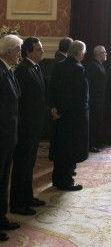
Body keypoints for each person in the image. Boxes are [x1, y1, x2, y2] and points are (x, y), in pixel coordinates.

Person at [10, 38, 46, 215]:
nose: (42, 52)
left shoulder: (36, 67)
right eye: (39, 49)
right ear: (29, 51)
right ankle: (17, 204)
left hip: (34, 125)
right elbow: (19, 101)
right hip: (25, 127)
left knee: (30, 164)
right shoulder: (22, 70)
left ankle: (27, 197)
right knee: (21, 165)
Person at [49, 40, 89, 191]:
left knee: (60, 149)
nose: (84, 54)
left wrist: (54, 109)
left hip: (59, 115)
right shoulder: (78, 69)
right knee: (70, 150)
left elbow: (52, 88)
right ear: (78, 52)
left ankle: (57, 179)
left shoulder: (59, 65)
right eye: (83, 51)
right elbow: (79, 97)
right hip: (73, 117)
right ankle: (66, 181)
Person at [0, 34, 23, 242]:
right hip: (1, 136)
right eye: (18, 50)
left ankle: (1, 217)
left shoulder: (9, 71)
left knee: (4, 179)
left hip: (9, 136)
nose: (19, 55)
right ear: (9, 51)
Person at [86, 45, 107, 152]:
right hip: (94, 101)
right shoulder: (93, 66)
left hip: (99, 100)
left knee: (97, 122)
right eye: (104, 52)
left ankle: (95, 143)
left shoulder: (100, 65)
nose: (106, 54)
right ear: (99, 54)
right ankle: (91, 145)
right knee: (93, 123)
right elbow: (90, 85)